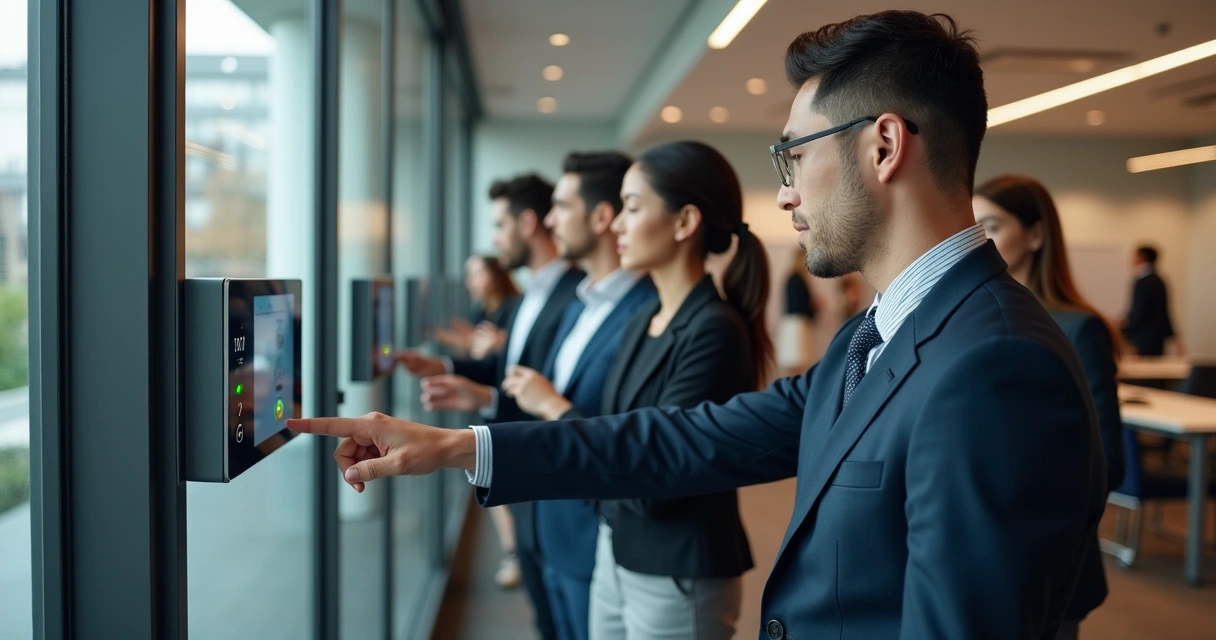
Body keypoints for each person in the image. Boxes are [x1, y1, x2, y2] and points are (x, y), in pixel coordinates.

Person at [291, 11, 1107, 639]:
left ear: (884, 145)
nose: (784, 193)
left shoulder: (993, 362)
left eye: (793, 156)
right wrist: (456, 446)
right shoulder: (877, 336)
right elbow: (682, 440)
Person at [505, 141, 770, 640]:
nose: (618, 225)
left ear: (684, 222)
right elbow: (617, 440)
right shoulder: (644, 318)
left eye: (632, 208)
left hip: (675, 566)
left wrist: (556, 410)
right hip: (618, 547)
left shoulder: (713, 329)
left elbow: (657, 473)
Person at [468, 150, 654, 640]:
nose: (551, 221)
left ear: (601, 216)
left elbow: (635, 435)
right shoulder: (581, 303)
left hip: (593, 533)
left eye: (562, 207)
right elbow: (534, 396)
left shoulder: (648, 311)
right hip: (547, 520)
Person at [396, 173, 583, 640]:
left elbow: (554, 389)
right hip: (528, 484)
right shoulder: (531, 294)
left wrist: (488, 397)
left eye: (500, 225)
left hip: (556, 484)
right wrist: (449, 368)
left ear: (527, 223)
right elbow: (510, 368)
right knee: (547, 618)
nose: (496, 238)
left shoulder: (574, 295)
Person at [974, 174, 1126, 640]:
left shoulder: (1077, 329)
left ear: (1036, 235)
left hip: (1044, 558)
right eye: (973, 227)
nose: (980, 241)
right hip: (974, 547)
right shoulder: (971, 317)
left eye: (993, 226)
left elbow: (1106, 461)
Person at [433, 255, 520, 358]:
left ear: (496, 276)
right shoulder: (478, 314)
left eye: (477, 274)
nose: (470, 282)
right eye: (469, 276)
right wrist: (464, 343)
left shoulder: (516, 309)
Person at [1122, 245, 1176, 356]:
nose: (1132, 259)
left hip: (1145, 337)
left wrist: (1125, 330)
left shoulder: (1145, 281)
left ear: (1142, 257)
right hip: (1154, 336)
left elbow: (1139, 310)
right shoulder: (1158, 279)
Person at [778, 248, 817, 375]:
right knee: (796, 363)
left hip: (792, 323)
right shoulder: (797, 279)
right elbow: (799, 303)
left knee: (795, 363)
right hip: (797, 324)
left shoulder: (793, 277)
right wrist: (814, 306)